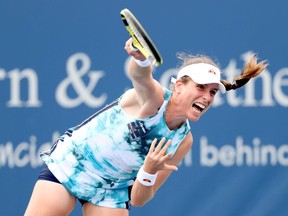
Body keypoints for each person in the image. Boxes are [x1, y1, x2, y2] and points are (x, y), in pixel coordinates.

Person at [24, 38, 267, 216]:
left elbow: (139, 199)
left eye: (212, 92)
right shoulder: (153, 98)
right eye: (200, 87)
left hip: (112, 189)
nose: (207, 97)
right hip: (75, 163)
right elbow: (140, 77)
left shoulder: (183, 141)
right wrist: (141, 60)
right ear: (179, 85)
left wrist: (149, 171)